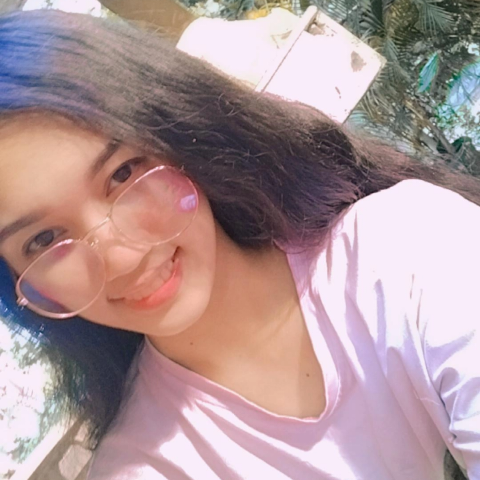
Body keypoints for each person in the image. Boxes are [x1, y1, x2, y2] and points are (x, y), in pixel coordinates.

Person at [0, 8, 479, 480]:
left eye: (123, 173)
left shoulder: (403, 247)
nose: (120, 259)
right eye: (44, 239)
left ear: (179, 133)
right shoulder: (148, 465)